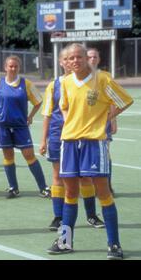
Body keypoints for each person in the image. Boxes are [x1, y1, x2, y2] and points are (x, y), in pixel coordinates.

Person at [47, 43, 133, 260]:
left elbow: (124, 100)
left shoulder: (102, 79)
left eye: (79, 57)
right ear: (67, 62)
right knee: (70, 193)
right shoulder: (66, 82)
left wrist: (107, 117)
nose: (75, 61)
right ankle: (65, 242)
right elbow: (64, 105)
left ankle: (114, 244)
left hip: (94, 143)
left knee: (102, 192)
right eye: (71, 58)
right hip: (69, 143)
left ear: (87, 59)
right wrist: (69, 121)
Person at [40, 47, 104, 231]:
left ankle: (91, 215)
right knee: (58, 176)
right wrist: (43, 140)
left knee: (85, 177)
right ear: (62, 63)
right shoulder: (54, 85)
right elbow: (47, 114)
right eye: (67, 60)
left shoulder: (88, 82)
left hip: (82, 135)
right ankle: (58, 217)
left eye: (74, 59)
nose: (70, 62)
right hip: (58, 135)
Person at [0, 55, 50, 198]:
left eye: (15, 66)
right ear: (5, 67)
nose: (13, 68)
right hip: (3, 126)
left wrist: (30, 116)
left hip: (20, 127)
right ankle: (13, 187)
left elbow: (38, 101)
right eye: (10, 66)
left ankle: (43, 188)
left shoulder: (26, 84)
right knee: (8, 156)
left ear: (19, 68)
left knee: (29, 155)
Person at [87, 48, 117, 195]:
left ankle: (107, 186)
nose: (92, 59)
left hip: (102, 121)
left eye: (94, 57)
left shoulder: (105, 76)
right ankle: (90, 187)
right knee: (86, 154)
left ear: (98, 59)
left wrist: (113, 119)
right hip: (84, 123)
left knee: (105, 154)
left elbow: (112, 100)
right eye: (89, 57)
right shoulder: (79, 77)